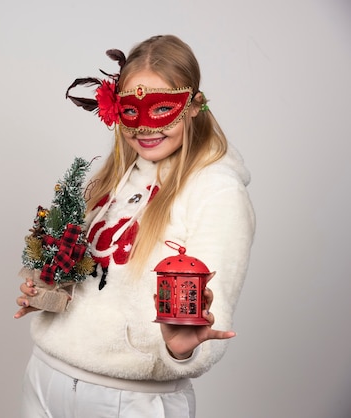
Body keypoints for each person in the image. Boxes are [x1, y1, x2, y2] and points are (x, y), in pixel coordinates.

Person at [14, 34, 255, 418]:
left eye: (161, 108)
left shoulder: (216, 191)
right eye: (130, 111)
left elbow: (211, 312)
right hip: (46, 376)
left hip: (130, 399)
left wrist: (183, 347)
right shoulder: (111, 177)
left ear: (193, 105)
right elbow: (85, 271)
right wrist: (46, 289)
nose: (144, 127)